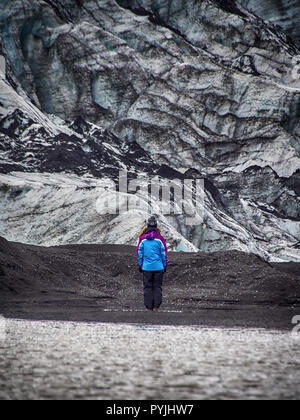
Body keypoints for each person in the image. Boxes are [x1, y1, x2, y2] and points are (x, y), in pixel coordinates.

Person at [137, 216, 168, 312]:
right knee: (157, 286)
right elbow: (164, 253)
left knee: (147, 287)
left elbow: (139, 254)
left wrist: (140, 265)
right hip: (158, 267)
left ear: (147, 225)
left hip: (146, 268)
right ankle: (156, 307)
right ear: (156, 225)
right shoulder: (160, 239)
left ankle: (148, 307)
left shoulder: (142, 239)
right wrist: (164, 265)